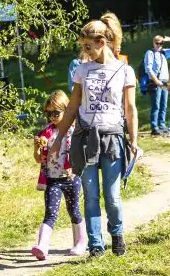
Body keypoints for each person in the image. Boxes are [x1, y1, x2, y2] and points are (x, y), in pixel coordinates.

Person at [50, 19, 138, 257]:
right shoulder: (82, 70)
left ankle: (117, 235)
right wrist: (59, 139)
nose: (84, 51)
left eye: (88, 46)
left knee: (112, 196)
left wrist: (134, 140)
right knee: (90, 195)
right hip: (85, 138)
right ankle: (95, 245)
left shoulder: (124, 70)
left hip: (112, 138)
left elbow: (130, 109)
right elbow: (73, 107)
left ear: (102, 42)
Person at [32, 91, 86, 260]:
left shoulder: (73, 131)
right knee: (50, 213)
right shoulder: (46, 133)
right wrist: (37, 148)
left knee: (74, 210)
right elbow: (37, 159)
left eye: (56, 113)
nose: (52, 117)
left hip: (71, 178)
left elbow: (79, 152)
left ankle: (80, 242)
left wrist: (73, 165)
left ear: (66, 110)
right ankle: (42, 246)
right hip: (53, 179)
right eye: (48, 113)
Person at [142, 35, 170, 136]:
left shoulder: (164, 52)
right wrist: (156, 80)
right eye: (157, 43)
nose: (159, 45)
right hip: (155, 82)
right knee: (156, 105)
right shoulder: (150, 53)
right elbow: (148, 68)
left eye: (161, 43)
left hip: (164, 82)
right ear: (153, 43)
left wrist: (169, 40)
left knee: (163, 105)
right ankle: (154, 127)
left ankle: (162, 125)